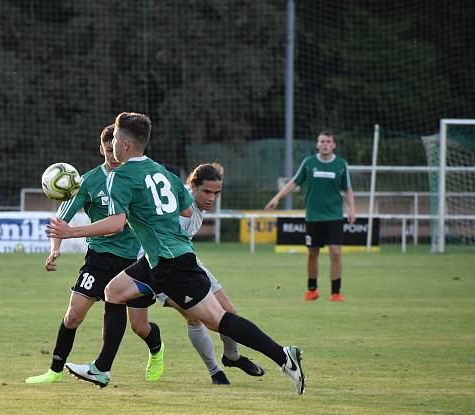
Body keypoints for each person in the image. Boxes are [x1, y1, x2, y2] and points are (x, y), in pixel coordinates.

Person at [47, 112, 305, 395]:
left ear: (124, 143)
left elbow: (116, 224)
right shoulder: (161, 171)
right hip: (156, 258)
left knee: (217, 320)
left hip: (172, 262)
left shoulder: (120, 176)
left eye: (116, 139)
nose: (114, 145)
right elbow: (184, 208)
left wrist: (71, 232)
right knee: (114, 291)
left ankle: (283, 355)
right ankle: (102, 368)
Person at [26, 125, 165, 384]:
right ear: (101, 148)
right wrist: (55, 249)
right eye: (107, 149)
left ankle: (156, 351)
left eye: (115, 149)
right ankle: (55, 370)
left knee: (139, 326)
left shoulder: (133, 178)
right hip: (99, 258)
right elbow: (60, 221)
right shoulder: (88, 181)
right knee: (73, 315)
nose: (112, 155)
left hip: (134, 259)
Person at [170, 162, 266, 383]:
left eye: (216, 193)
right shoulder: (180, 206)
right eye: (207, 192)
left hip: (188, 260)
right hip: (161, 267)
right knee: (195, 318)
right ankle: (216, 372)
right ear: (192, 187)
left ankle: (232, 356)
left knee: (228, 311)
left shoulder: (196, 205)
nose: (212, 198)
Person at [265, 131, 355, 302]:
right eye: (322, 141)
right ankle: (312, 290)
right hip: (313, 217)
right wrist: (277, 198)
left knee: (336, 252)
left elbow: (348, 188)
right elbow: (294, 182)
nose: (325, 144)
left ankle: (336, 293)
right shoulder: (309, 163)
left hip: (334, 216)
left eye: (329, 141)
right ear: (317, 144)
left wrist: (352, 209)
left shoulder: (341, 164)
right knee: (313, 253)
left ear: (334, 145)